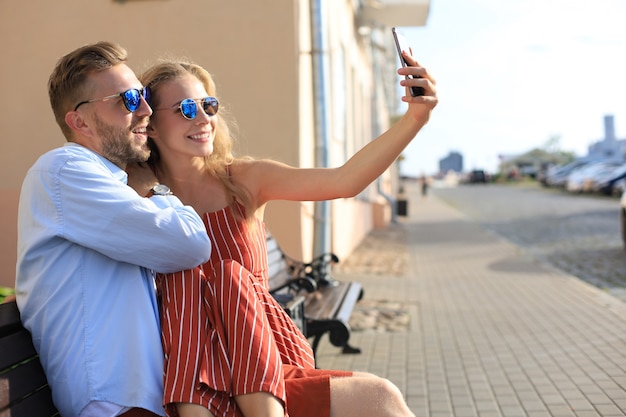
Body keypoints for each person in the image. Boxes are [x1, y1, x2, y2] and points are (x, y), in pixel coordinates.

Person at [135, 50, 436, 417]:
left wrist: (415, 119)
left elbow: (344, 180)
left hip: (263, 356)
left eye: (208, 106)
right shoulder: (139, 198)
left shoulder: (243, 180)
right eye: (185, 109)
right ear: (149, 125)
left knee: (381, 397)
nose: (203, 119)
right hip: (190, 370)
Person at [15, 41, 213, 417]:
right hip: (115, 403)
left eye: (142, 95)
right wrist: (156, 188)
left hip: (136, 400)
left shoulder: (107, 182)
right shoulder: (65, 170)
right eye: (127, 99)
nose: (146, 110)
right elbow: (190, 244)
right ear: (80, 121)